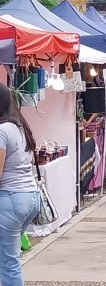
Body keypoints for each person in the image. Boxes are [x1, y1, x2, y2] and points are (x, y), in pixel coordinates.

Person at [0, 83, 40, 285]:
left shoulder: (2, 130)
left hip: (10, 197)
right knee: (8, 258)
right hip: (29, 196)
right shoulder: (19, 125)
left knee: (8, 263)